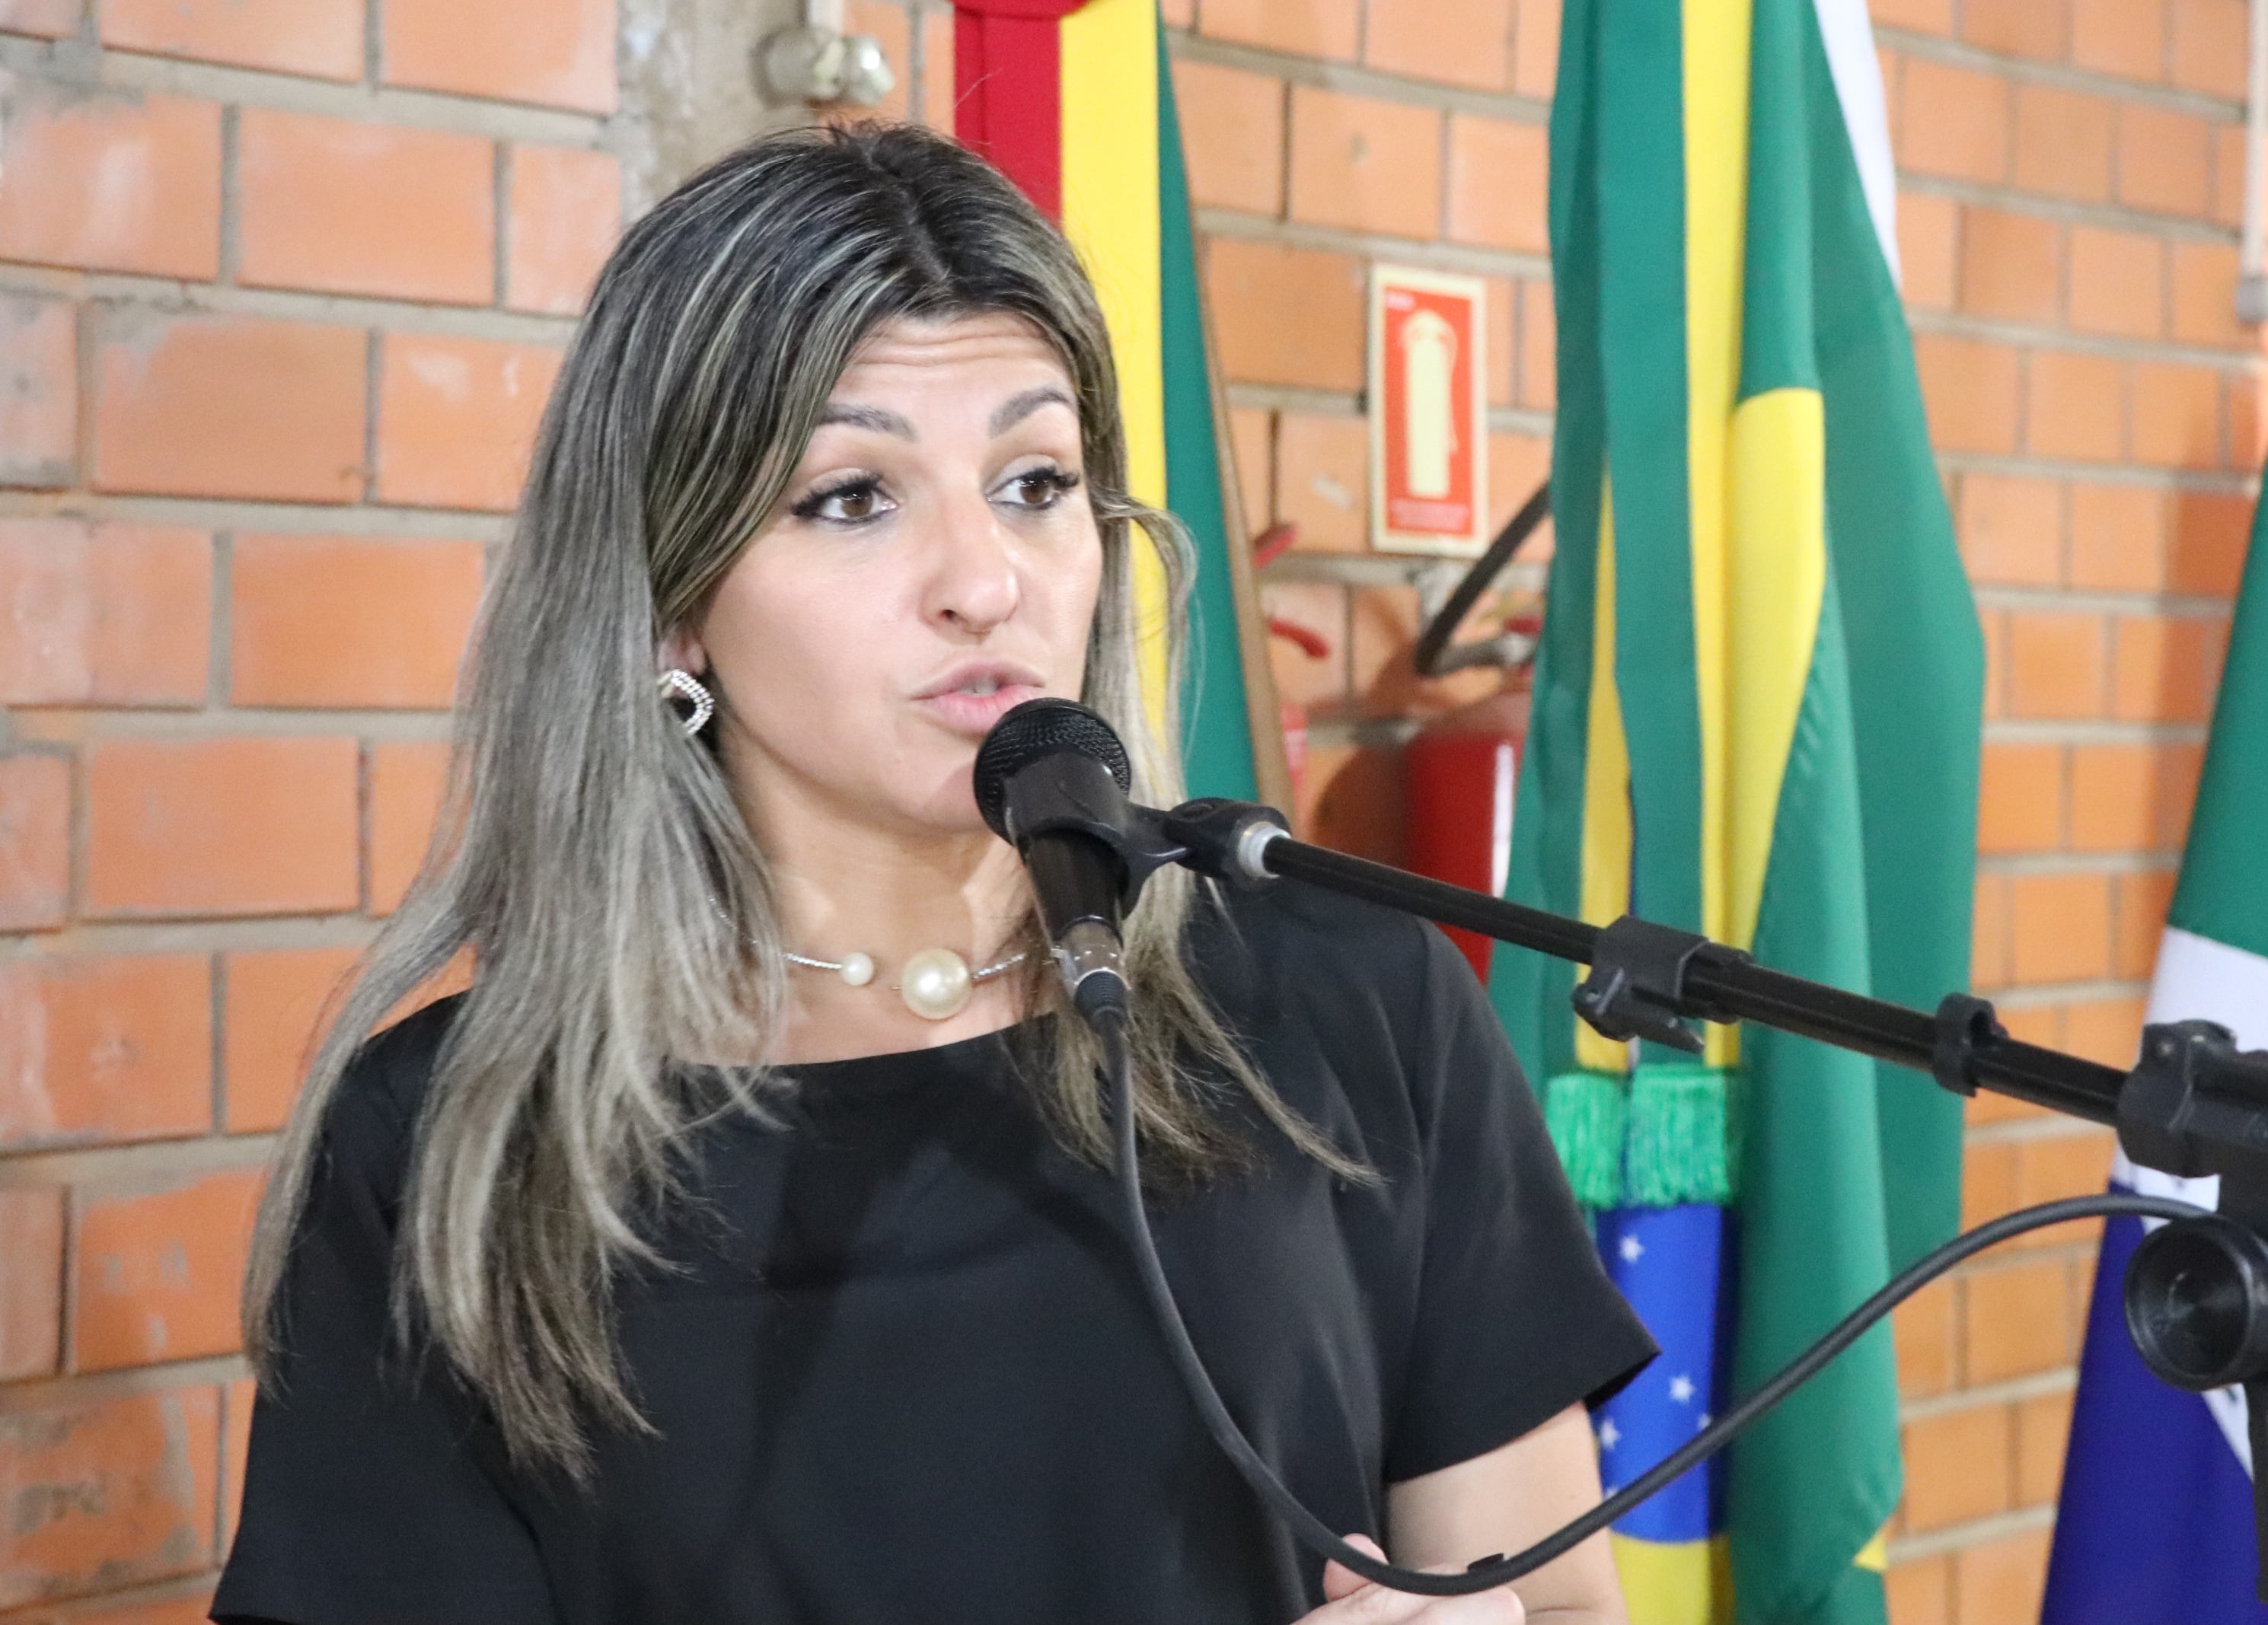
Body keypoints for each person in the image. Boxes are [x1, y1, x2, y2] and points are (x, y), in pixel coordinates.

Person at [213, 123, 1654, 1625]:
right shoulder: (452, 1144)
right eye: (853, 496)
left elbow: (1557, 1603)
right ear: (670, 605)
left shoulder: (1351, 998)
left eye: (1034, 481)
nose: (985, 579)